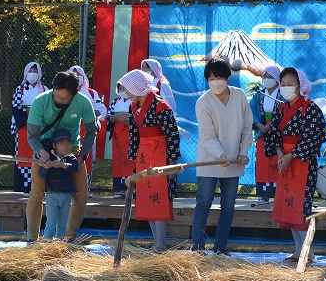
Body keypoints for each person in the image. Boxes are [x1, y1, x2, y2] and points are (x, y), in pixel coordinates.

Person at [25, 71, 98, 242]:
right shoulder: (40, 101)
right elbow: (32, 136)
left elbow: (91, 131)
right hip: (44, 149)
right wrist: (41, 153)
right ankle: (32, 240)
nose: (60, 100)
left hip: (72, 150)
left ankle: (69, 240)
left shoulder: (83, 102)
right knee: (36, 192)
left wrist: (82, 157)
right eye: (57, 96)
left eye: (65, 98)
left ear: (74, 94)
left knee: (82, 195)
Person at [191, 58, 253, 254]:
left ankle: (221, 247)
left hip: (234, 160)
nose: (215, 82)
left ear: (227, 78)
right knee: (204, 201)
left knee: (228, 205)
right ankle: (198, 247)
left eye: (218, 77)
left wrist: (243, 153)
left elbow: (246, 127)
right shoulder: (203, 102)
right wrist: (220, 154)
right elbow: (207, 136)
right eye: (210, 78)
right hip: (210, 160)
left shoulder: (239, 95)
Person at [263, 67, 326, 261]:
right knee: (288, 207)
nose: (286, 87)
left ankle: (308, 251)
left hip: (303, 164)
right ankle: (299, 251)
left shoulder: (310, 108)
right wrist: (280, 152)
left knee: (301, 209)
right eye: (283, 84)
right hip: (285, 162)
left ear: (300, 85)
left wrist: (292, 155)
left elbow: (313, 136)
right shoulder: (281, 108)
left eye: (290, 84)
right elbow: (273, 134)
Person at [121, 69, 182, 253]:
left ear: (137, 88)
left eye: (128, 88)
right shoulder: (133, 108)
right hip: (144, 157)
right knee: (146, 197)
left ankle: (161, 245)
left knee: (160, 198)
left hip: (161, 156)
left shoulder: (160, 106)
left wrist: (171, 163)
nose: (126, 92)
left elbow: (172, 135)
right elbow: (134, 135)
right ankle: (157, 243)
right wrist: (133, 160)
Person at [10, 62, 47, 196]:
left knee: (39, 152)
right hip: (24, 126)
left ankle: (39, 186)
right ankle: (25, 187)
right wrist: (27, 120)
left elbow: (48, 106)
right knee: (23, 154)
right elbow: (15, 106)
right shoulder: (20, 89)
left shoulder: (44, 89)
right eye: (30, 70)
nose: (33, 73)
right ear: (26, 73)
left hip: (40, 125)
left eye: (35, 70)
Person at [68, 65, 108, 187]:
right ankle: (69, 186)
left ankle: (86, 187)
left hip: (87, 128)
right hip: (69, 129)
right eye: (73, 74)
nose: (76, 77)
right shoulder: (65, 92)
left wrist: (86, 114)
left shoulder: (91, 93)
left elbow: (101, 110)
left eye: (78, 74)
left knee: (88, 155)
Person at [250, 65, 284, 204]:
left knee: (277, 164)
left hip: (278, 136)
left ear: (277, 79)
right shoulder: (259, 95)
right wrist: (258, 124)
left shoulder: (282, 96)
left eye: (270, 77)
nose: (267, 79)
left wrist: (273, 125)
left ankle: (279, 195)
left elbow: (285, 112)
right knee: (263, 165)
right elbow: (250, 111)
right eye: (265, 77)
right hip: (262, 134)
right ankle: (263, 195)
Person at [39, 129, 80, 239]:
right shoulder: (49, 157)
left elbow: (75, 167)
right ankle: (47, 244)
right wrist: (46, 167)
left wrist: (62, 165)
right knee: (51, 223)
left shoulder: (71, 157)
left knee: (62, 224)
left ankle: (59, 245)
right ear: (54, 145)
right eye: (62, 143)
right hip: (52, 195)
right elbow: (42, 174)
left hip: (66, 196)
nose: (66, 146)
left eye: (68, 144)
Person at [106, 83, 135, 196]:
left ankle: (133, 188)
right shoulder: (115, 101)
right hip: (118, 135)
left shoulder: (134, 101)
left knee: (130, 160)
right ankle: (122, 189)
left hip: (130, 133)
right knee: (119, 160)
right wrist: (112, 118)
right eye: (121, 88)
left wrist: (130, 119)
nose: (123, 90)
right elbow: (109, 114)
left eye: (125, 87)